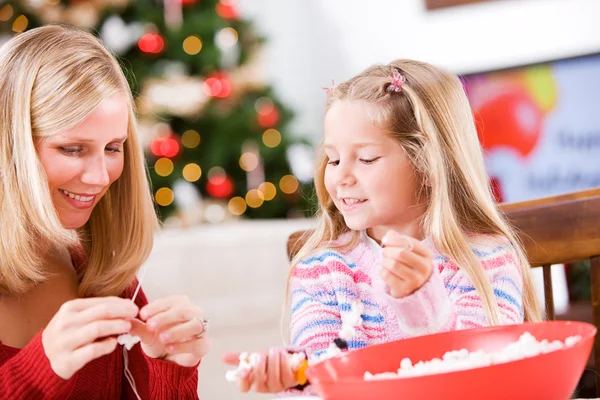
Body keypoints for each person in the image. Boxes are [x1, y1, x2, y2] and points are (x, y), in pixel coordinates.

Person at [222, 59, 542, 394]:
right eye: (333, 158)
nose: (341, 176)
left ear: (429, 165)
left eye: (366, 159)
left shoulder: (486, 260)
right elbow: (321, 376)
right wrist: (296, 377)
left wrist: (423, 302)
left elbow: (483, 385)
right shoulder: (320, 270)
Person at [0, 25, 209, 399]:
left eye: (113, 148)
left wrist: (170, 365)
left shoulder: (101, 277)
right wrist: (40, 369)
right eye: (72, 149)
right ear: (10, 146)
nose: (100, 177)